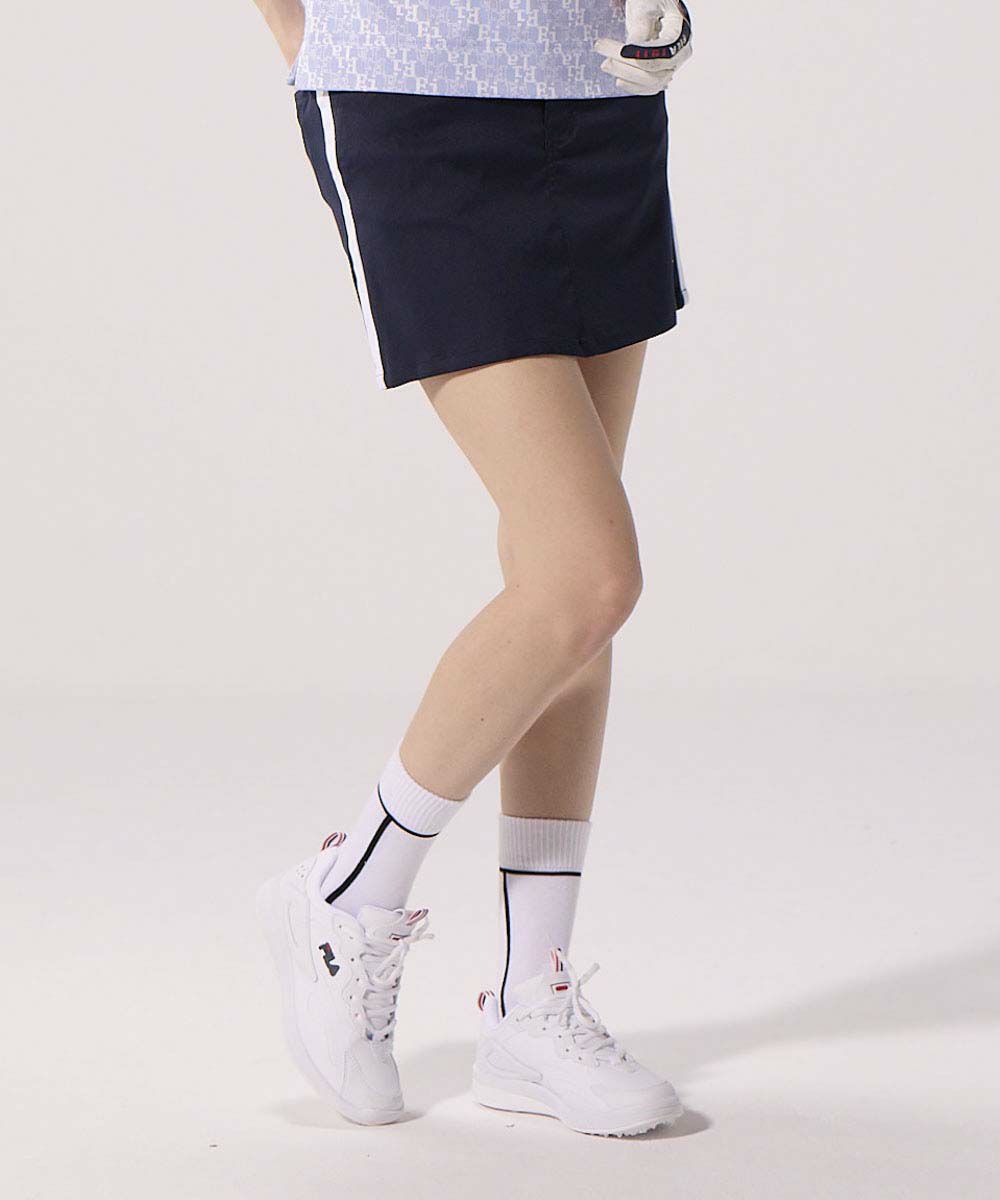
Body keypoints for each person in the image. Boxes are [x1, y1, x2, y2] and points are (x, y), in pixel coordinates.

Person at [250, 0, 693, 1138]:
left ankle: (530, 999)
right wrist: (308, 42)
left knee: (566, 590)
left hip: (600, 92)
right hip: (412, 97)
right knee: (587, 576)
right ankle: (348, 891)